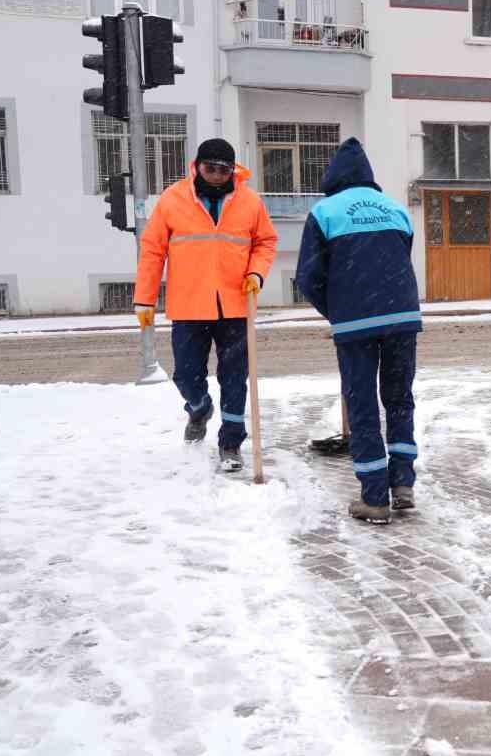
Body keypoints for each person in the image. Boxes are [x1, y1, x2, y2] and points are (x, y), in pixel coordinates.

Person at [296, 138, 423, 525]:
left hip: (356, 323)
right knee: (399, 398)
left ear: (332, 176)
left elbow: (308, 276)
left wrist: (336, 310)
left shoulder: (325, 212)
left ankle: (374, 497)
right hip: (402, 315)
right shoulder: (395, 208)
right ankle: (402, 483)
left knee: (363, 403)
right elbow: (402, 255)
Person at [134, 138, 277, 472]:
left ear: (233, 171)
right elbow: (153, 250)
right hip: (188, 304)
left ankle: (230, 443)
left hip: (235, 304)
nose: (215, 175)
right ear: (196, 166)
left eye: (223, 169)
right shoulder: (173, 200)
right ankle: (199, 408)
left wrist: (256, 273)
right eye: (209, 168)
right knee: (185, 374)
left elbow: (266, 242)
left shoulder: (250, 202)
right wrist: (145, 298)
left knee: (234, 377)